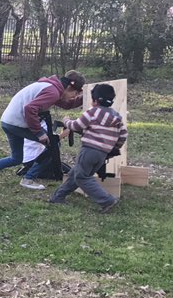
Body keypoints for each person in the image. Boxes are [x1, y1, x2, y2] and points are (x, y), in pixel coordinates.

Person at [0, 70, 85, 184]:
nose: (74, 97)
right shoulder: (53, 92)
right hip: (18, 123)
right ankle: (28, 178)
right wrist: (39, 132)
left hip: (8, 121)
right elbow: (30, 109)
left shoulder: (51, 88)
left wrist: (84, 99)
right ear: (69, 87)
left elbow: (66, 104)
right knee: (53, 144)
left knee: (16, 158)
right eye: (75, 94)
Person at [48, 83, 127, 212]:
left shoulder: (92, 112)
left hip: (89, 150)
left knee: (81, 177)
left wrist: (67, 121)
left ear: (95, 101)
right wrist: (112, 149)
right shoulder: (116, 117)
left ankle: (107, 200)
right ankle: (58, 196)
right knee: (76, 174)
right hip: (102, 154)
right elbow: (123, 135)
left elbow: (77, 126)